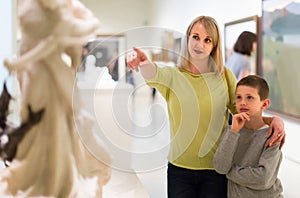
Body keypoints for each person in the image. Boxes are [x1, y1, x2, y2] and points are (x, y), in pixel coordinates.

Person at [127, 15, 285, 198]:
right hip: (180, 170)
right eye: (195, 37)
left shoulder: (224, 76)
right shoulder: (173, 75)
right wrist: (143, 63)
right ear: (188, 39)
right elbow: (153, 73)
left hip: (215, 170)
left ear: (214, 46)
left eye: (207, 40)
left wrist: (273, 120)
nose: (200, 44)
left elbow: (243, 113)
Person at [213, 75, 283, 197]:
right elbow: (220, 167)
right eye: (239, 97)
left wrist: (230, 171)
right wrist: (233, 132)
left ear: (264, 104)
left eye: (250, 97)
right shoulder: (231, 132)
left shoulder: (273, 135)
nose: (242, 102)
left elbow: (263, 179)